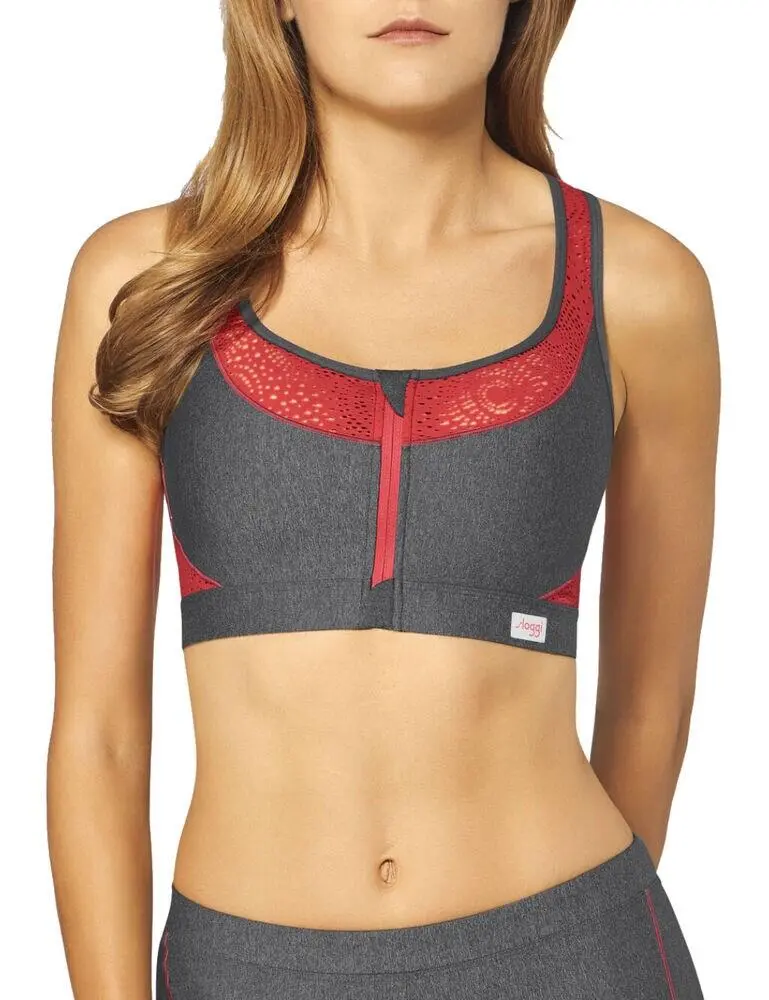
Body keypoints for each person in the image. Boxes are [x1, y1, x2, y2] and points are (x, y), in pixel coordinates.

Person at [48, 2, 719, 998]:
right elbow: (98, 733)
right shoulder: (149, 284)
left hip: (571, 950)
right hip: (248, 971)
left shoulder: (642, 287)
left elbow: (651, 703)